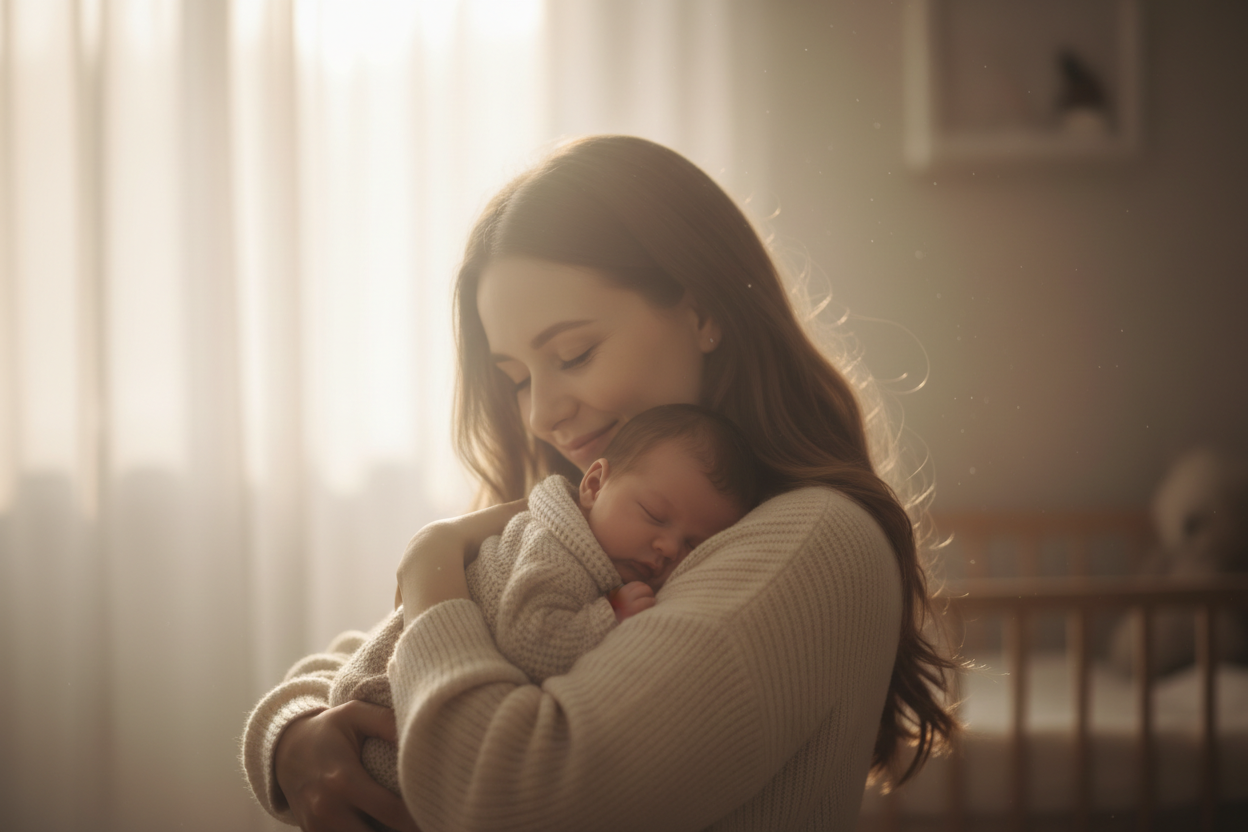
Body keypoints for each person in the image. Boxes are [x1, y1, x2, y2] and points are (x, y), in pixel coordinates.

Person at [241, 135, 957, 832]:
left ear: (703, 312)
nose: (541, 415)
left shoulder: (811, 540)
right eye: (517, 378)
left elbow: (507, 798)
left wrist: (431, 561)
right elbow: (373, 652)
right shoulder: (592, 518)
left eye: (574, 354)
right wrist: (292, 735)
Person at [304, 403, 760, 801]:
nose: (669, 548)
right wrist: (610, 613)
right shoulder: (555, 550)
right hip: (383, 723)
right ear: (594, 485)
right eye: (654, 515)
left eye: (693, 545)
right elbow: (529, 639)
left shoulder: (581, 545)